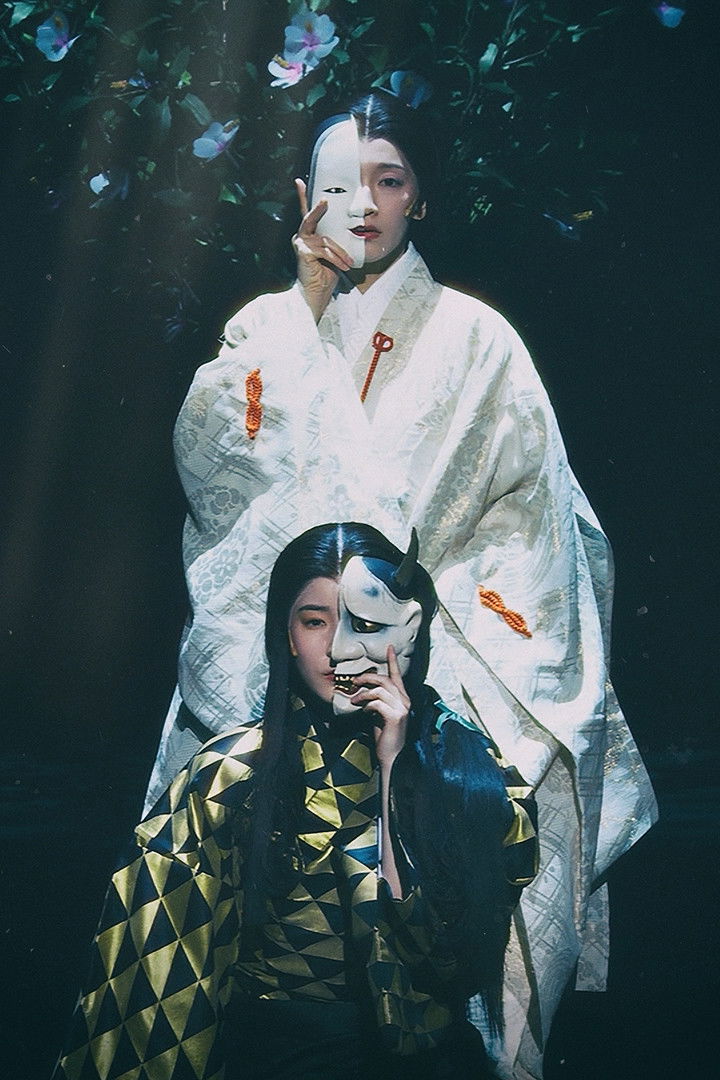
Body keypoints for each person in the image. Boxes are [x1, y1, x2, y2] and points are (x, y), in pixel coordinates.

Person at [144, 91, 657, 1077]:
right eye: (340, 184)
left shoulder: (477, 338)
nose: (363, 204)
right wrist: (304, 310)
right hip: (286, 661)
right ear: (304, 193)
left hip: (436, 662)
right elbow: (219, 476)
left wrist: (415, 631)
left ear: (420, 198)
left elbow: (534, 528)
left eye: (389, 180)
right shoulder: (267, 328)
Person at [53, 522, 538, 1080]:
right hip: (279, 1057)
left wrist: (392, 768)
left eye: (365, 624)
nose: (338, 648)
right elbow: (156, 979)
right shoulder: (230, 772)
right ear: (286, 635)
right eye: (314, 621)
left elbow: (448, 954)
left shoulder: (469, 771)